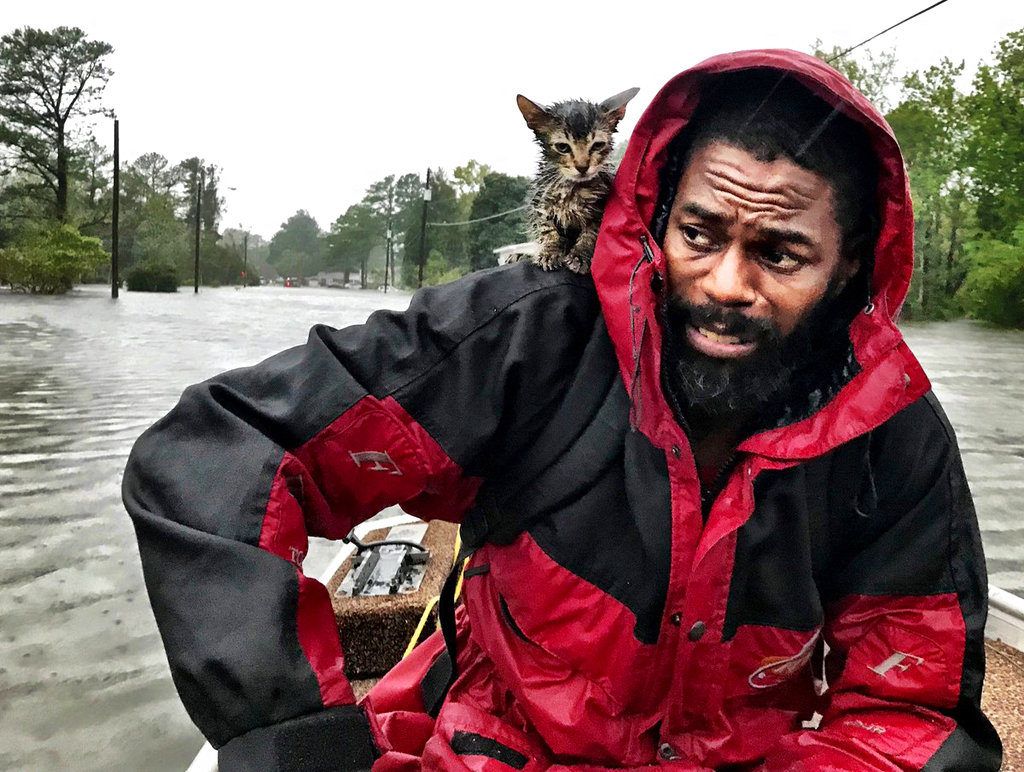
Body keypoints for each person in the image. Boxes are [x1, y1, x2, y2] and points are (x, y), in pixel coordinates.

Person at [123, 49, 1003, 770]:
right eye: (699, 235)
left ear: (849, 268)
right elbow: (224, 454)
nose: (726, 285)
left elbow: (911, 712)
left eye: (780, 254)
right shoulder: (528, 338)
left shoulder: (892, 433)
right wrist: (295, 744)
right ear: (659, 217)